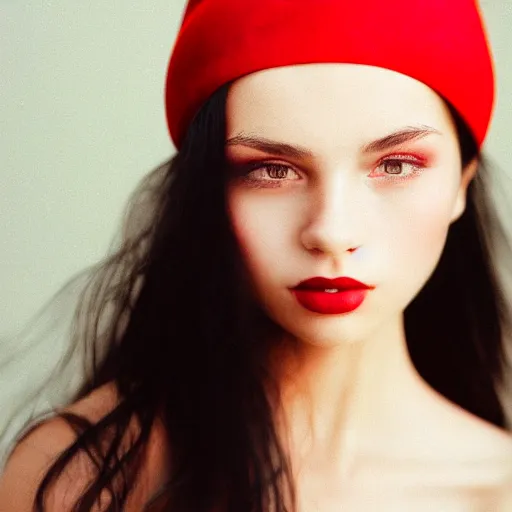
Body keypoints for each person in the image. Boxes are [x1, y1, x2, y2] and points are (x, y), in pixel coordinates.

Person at [1, 0, 512, 510]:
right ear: (207, 190)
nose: (332, 232)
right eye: (271, 170)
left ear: (460, 184)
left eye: (397, 165)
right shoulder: (82, 478)